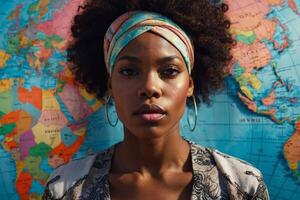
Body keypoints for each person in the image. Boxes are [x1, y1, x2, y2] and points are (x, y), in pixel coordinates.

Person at [42, 0, 269, 199]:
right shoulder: (66, 189)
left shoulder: (241, 186)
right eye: (129, 71)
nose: (150, 87)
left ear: (190, 83)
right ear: (110, 84)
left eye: (169, 71)